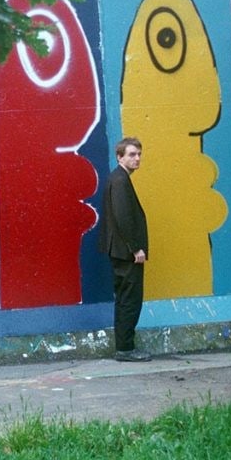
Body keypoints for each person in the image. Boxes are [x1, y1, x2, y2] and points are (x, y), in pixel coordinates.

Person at [98, 137, 151, 362]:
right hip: (125, 253)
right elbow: (122, 218)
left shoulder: (118, 178)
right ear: (120, 157)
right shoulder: (120, 181)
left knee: (124, 299)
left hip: (120, 251)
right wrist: (136, 248)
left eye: (139, 154)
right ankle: (126, 349)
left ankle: (124, 347)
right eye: (131, 154)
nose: (137, 158)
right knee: (130, 299)